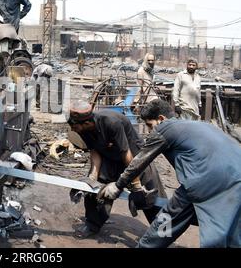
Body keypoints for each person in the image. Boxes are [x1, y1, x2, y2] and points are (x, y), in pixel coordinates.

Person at [98, 99, 241, 248]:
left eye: (149, 125)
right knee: (230, 225)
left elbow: (139, 162)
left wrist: (118, 185)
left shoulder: (165, 128)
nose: (149, 131)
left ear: (161, 119)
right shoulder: (200, 125)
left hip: (206, 180)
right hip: (236, 177)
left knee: (170, 216)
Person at [67, 101, 167, 238]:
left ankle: (164, 233)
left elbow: (126, 154)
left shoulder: (111, 122)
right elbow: (94, 150)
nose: (73, 130)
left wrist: (136, 185)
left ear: (86, 123)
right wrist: (93, 176)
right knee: (95, 190)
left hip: (134, 155)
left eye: (74, 127)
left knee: (150, 195)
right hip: (109, 156)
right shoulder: (83, 129)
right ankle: (92, 224)